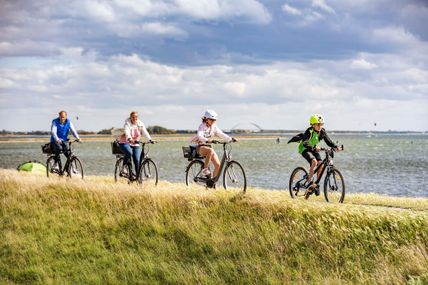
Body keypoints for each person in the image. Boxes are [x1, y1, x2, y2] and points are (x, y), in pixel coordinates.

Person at [298, 114, 341, 195]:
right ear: (313, 124)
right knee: (314, 161)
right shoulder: (309, 131)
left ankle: (316, 185)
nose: (320, 126)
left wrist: (336, 146)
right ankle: (310, 183)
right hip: (304, 149)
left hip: (314, 149)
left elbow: (328, 141)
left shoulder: (322, 131)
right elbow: (305, 143)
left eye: (321, 124)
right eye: (318, 124)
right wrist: (314, 147)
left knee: (321, 164)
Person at [191, 109, 237, 178]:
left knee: (218, 165)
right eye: (211, 120)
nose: (213, 121)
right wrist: (207, 140)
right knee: (210, 150)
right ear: (206, 119)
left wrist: (230, 139)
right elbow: (199, 136)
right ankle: (205, 169)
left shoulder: (214, 126)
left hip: (209, 147)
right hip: (201, 147)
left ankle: (212, 183)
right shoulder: (202, 126)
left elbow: (221, 134)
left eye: (214, 120)